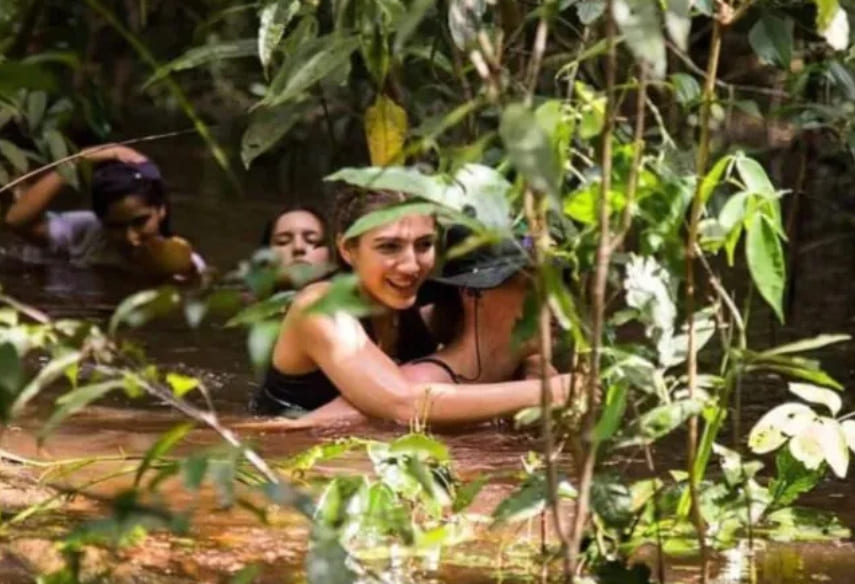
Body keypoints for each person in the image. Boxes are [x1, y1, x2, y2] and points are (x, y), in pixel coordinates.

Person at [250, 185, 570, 425]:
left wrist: (532, 364)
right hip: (276, 448)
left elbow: (492, 338)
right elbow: (403, 403)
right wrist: (550, 392)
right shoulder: (319, 308)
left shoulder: (414, 306)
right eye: (389, 246)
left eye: (424, 245)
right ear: (348, 249)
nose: (411, 265)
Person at [3, 143, 204, 279]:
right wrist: (79, 160)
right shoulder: (88, 231)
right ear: (101, 219)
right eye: (115, 226)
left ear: (161, 209)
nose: (130, 238)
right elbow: (16, 220)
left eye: (140, 222)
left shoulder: (182, 262)